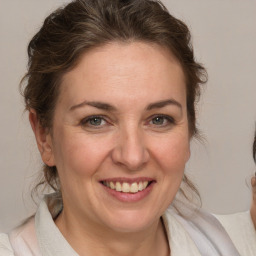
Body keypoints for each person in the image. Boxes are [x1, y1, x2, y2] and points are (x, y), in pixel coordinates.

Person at [0, 0, 255, 255]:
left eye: (159, 119)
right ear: (44, 137)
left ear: (190, 128)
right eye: (96, 120)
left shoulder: (243, 243)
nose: (132, 157)